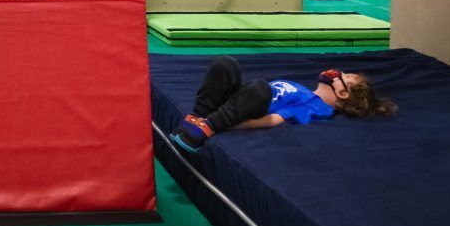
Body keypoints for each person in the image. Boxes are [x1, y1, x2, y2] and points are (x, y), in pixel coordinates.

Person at [169, 56, 397, 153]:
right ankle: (195, 119)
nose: (338, 73)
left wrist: (228, 126)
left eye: (344, 77)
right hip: (240, 99)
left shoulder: (318, 107)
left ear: (342, 94)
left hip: (249, 107)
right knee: (226, 65)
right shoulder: (304, 89)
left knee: (260, 88)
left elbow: (277, 119)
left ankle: (207, 126)